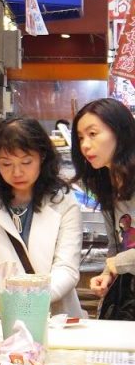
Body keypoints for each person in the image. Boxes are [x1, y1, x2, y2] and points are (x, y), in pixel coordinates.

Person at [0, 117, 83, 317]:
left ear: (42, 156)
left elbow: (67, 267)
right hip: (2, 313)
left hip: (54, 315)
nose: (17, 172)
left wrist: (32, 301)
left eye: (26, 162)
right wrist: (3, 298)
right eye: (6, 164)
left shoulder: (64, 201)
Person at [72, 98, 135, 316]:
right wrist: (108, 273)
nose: (85, 145)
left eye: (93, 133)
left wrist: (116, 263)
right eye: (80, 137)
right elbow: (117, 245)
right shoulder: (109, 183)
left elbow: (120, 258)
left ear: (119, 131)